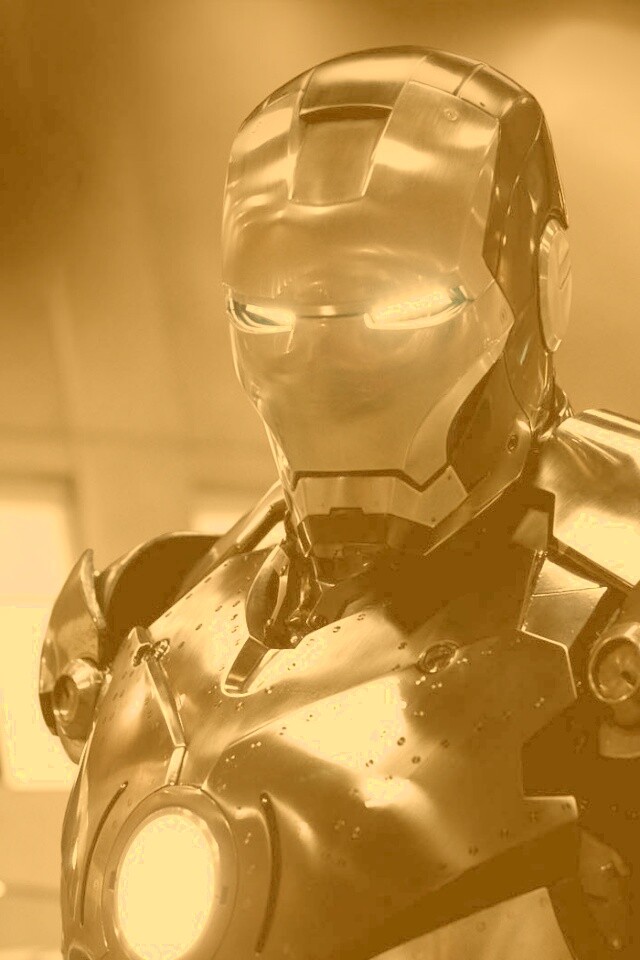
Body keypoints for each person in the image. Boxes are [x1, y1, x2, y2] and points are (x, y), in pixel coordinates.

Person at [40, 47, 640, 959]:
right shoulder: (158, 615)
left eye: (400, 307)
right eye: (275, 317)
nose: (328, 364)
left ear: (542, 281)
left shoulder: (613, 585)